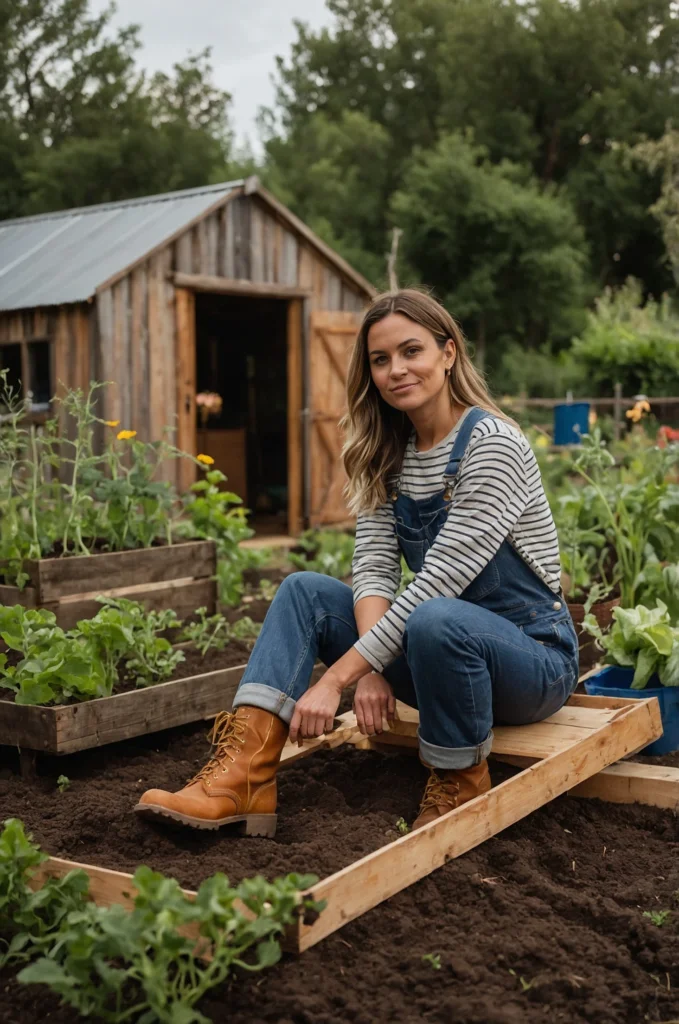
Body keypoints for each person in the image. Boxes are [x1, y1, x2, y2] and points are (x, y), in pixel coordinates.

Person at [135, 289, 579, 836]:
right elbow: (373, 569)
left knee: (435, 615)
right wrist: (370, 670)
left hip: (530, 660)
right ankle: (242, 779)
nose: (396, 370)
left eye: (411, 351)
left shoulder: (494, 445)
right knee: (303, 590)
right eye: (380, 359)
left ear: (447, 353)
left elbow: (436, 584)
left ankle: (459, 780)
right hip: (435, 652)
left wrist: (341, 677)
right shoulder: (385, 452)